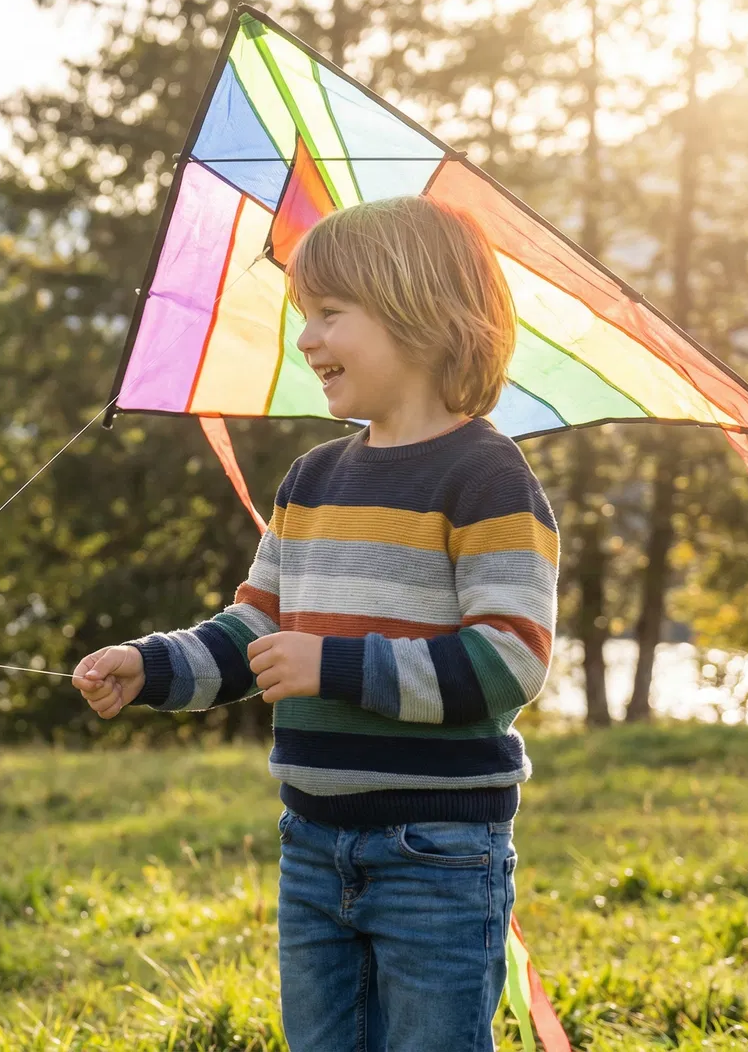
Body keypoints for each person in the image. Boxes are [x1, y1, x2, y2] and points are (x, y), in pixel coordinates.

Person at [72, 196, 558, 1051]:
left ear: (419, 314)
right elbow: (249, 632)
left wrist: (333, 666)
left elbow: (507, 662)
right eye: (307, 317)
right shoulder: (312, 478)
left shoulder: (487, 478)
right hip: (313, 844)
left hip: (436, 853)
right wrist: (149, 667)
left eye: (330, 315)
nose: (306, 341)